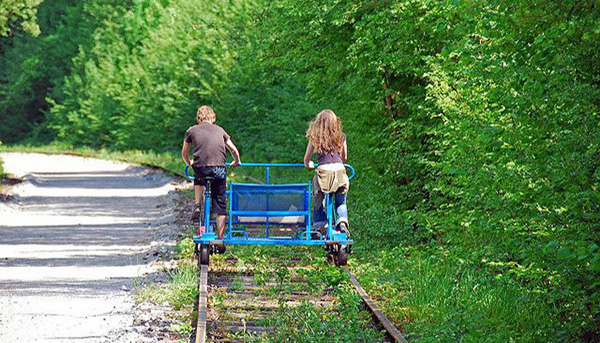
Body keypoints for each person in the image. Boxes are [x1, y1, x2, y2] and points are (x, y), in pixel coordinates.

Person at [181, 105, 241, 241]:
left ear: (198, 118)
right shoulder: (220, 130)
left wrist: (188, 162)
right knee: (220, 204)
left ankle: (197, 204)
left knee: (199, 177)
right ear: (212, 117)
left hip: (201, 168)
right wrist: (236, 161)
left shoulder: (191, 130)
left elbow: (184, 152)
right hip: (219, 169)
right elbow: (233, 150)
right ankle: (220, 239)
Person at [303, 109, 350, 237]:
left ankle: (319, 224)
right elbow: (344, 157)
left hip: (323, 173)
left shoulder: (315, 138)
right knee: (340, 201)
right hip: (339, 172)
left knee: (318, 196)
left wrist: (310, 165)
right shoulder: (341, 136)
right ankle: (342, 222)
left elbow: (306, 160)